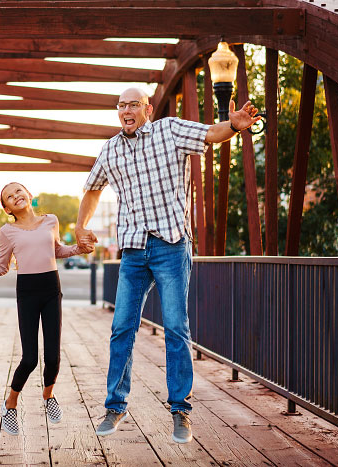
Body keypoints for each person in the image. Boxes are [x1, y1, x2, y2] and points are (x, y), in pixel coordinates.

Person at [75, 87, 260, 443]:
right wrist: (81, 225)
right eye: (121, 105)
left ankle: (180, 411)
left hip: (171, 246)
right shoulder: (111, 149)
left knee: (176, 327)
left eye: (133, 104)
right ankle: (115, 406)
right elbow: (92, 188)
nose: (126, 110)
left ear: (148, 108)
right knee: (121, 328)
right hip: (132, 250)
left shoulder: (169, 130)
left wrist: (234, 126)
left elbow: (209, 133)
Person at [0, 182, 93, 435]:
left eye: (18, 191)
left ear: (29, 195)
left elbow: (56, 250)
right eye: (9, 197)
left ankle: (48, 397)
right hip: (27, 292)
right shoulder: (7, 231)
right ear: (7, 208)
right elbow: (2, 266)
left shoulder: (51, 220)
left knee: (53, 357)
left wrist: (80, 248)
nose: (16, 197)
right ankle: (10, 404)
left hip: (51, 288)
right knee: (30, 358)